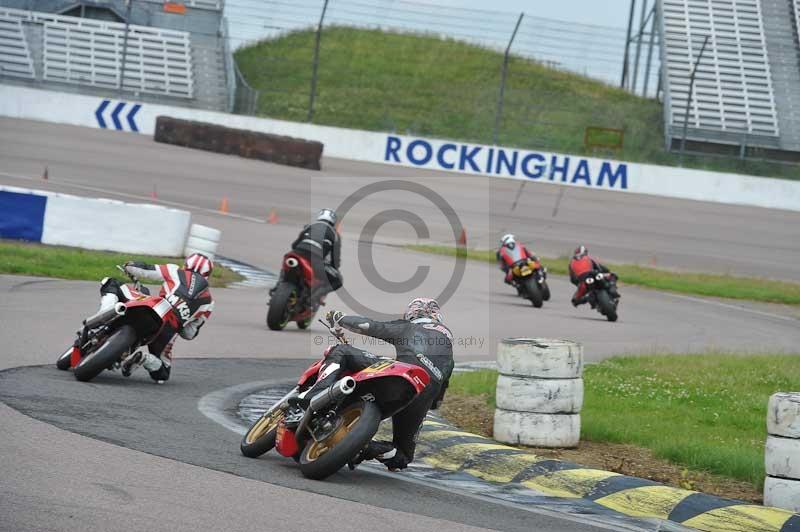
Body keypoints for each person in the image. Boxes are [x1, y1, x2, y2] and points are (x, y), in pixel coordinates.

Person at [293, 297, 454, 471]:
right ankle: (366, 448)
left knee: (341, 350)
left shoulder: (410, 326)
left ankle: (313, 396)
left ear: (412, 314)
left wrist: (340, 317)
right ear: (438, 317)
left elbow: (370, 326)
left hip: (400, 375)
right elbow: (437, 401)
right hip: (421, 394)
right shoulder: (449, 355)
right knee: (403, 456)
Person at [93, 253, 215, 382]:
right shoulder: (209, 303)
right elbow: (190, 334)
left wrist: (128, 266)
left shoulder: (175, 271)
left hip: (155, 306)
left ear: (185, 265)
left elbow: (144, 270)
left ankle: (104, 314)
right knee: (162, 374)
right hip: (168, 330)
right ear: (208, 275)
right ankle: (145, 358)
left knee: (112, 282)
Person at [288, 208, 343, 303]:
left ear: (320, 216)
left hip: (297, 253)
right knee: (337, 281)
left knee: (288, 263)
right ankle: (316, 296)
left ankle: (278, 285)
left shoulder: (309, 226)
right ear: (333, 221)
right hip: (315, 260)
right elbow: (335, 259)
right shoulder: (335, 235)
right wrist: (335, 268)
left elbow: (294, 245)